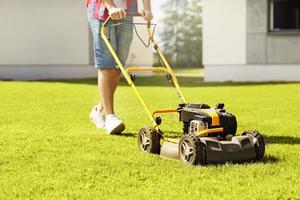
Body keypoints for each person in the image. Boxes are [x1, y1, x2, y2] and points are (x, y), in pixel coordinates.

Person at [87, 0, 153, 134]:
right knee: (106, 65)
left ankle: (98, 110)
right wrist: (110, 6)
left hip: (128, 13)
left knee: (118, 67)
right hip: (102, 12)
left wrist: (147, 8)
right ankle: (110, 117)